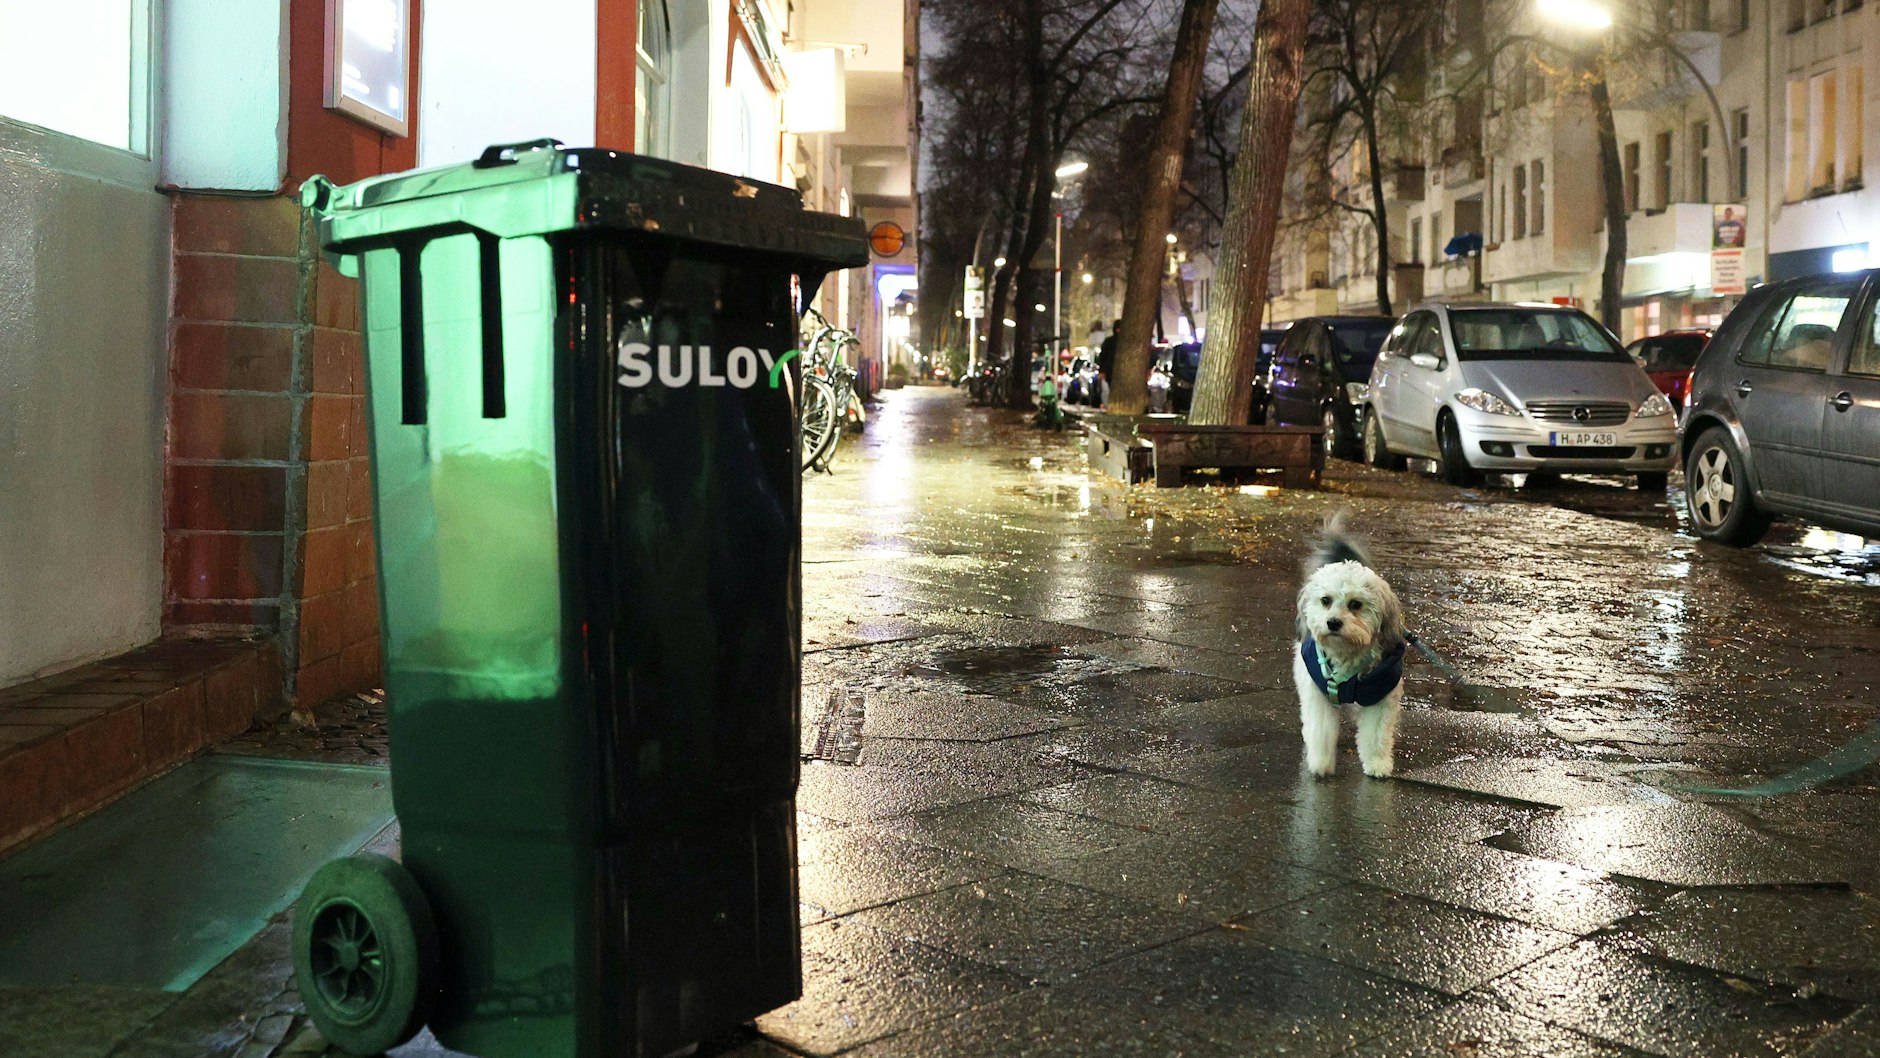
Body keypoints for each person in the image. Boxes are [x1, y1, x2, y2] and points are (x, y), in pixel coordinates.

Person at [1096, 318, 1121, 408]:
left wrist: (1102, 371)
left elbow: (1102, 357)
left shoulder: (1108, 341)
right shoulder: (1112, 342)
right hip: (1111, 370)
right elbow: (1103, 357)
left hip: (1110, 371)